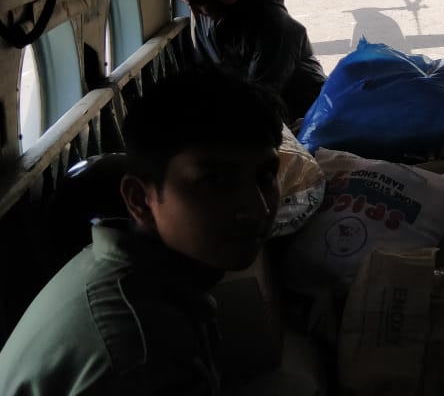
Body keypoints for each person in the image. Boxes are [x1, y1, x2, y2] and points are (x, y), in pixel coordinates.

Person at [0, 68, 283, 394]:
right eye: (216, 181)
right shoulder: (144, 359)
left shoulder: (110, 261)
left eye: (265, 176)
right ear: (140, 201)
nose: (258, 209)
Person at [173, 0, 326, 122]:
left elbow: (263, 96)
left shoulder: (275, 26)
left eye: (200, 4)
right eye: (189, 4)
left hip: (307, 114)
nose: (196, 13)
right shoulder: (213, 19)